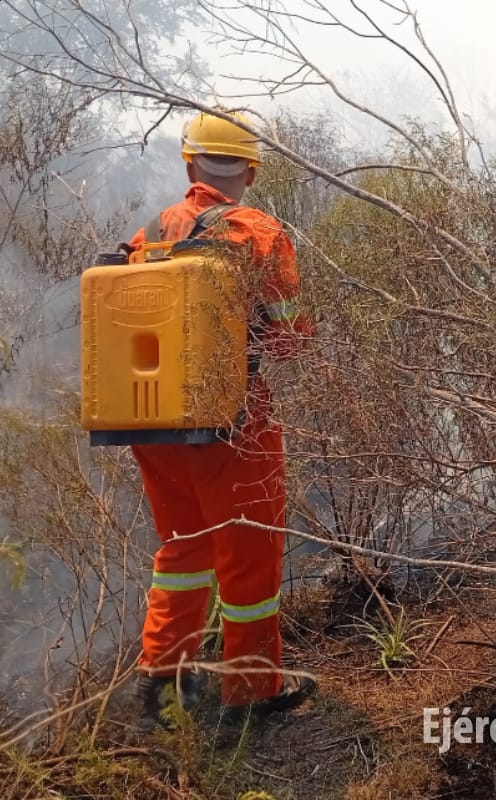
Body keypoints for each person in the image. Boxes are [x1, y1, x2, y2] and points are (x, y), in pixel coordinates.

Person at [127, 110, 316, 732]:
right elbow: (291, 342)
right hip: (233, 420)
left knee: (181, 550)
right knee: (250, 556)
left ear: (189, 165)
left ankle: (163, 681)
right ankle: (251, 693)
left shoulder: (147, 234)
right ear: (253, 172)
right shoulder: (257, 231)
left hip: (152, 422)